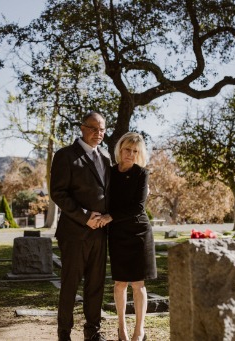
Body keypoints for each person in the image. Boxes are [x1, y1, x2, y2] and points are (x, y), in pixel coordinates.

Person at [50, 112, 111, 341]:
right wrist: (85, 216)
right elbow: (58, 193)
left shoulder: (105, 157)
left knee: (95, 285)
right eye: (94, 128)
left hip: (100, 232)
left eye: (102, 129)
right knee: (70, 285)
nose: (99, 133)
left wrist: (108, 217)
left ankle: (92, 332)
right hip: (74, 232)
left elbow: (108, 194)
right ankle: (64, 333)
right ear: (82, 128)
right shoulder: (65, 155)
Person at [98, 132, 157, 341]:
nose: (130, 154)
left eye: (134, 151)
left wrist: (109, 216)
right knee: (120, 283)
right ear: (120, 150)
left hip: (139, 232)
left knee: (138, 284)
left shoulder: (142, 174)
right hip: (117, 233)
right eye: (126, 150)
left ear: (138, 153)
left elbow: (138, 208)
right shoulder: (109, 173)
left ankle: (139, 330)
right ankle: (121, 329)